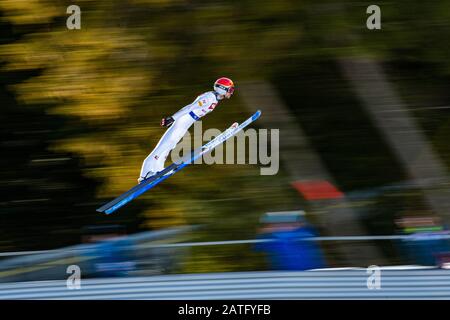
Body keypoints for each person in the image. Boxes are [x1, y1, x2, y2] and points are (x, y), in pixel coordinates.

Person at [138, 77, 235, 183]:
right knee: (164, 145)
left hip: (187, 122)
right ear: (222, 88)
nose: (231, 93)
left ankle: (157, 169)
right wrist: (172, 118)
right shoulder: (209, 97)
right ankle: (144, 174)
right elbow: (189, 107)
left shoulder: (215, 99)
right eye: (230, 90)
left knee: (170, 145)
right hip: (183, 120)